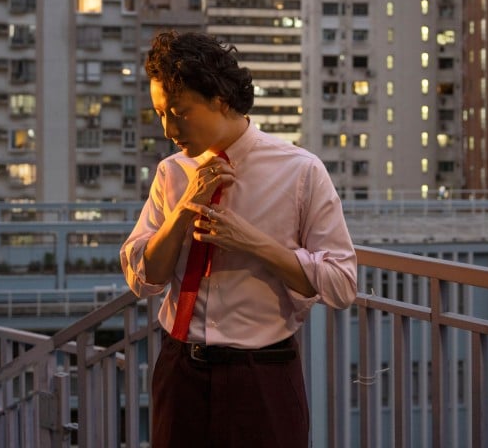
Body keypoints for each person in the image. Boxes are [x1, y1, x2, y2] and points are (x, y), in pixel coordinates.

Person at [120, 30, 358, 447]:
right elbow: (143, 279)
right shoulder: (172, 173)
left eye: (179, 112)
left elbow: (341, 284)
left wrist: (254, 243)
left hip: (263, 375)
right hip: (180, 370)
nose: (168, 128)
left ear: (220, 99)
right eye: (159, 113)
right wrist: (183, 209)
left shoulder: (300, 172)